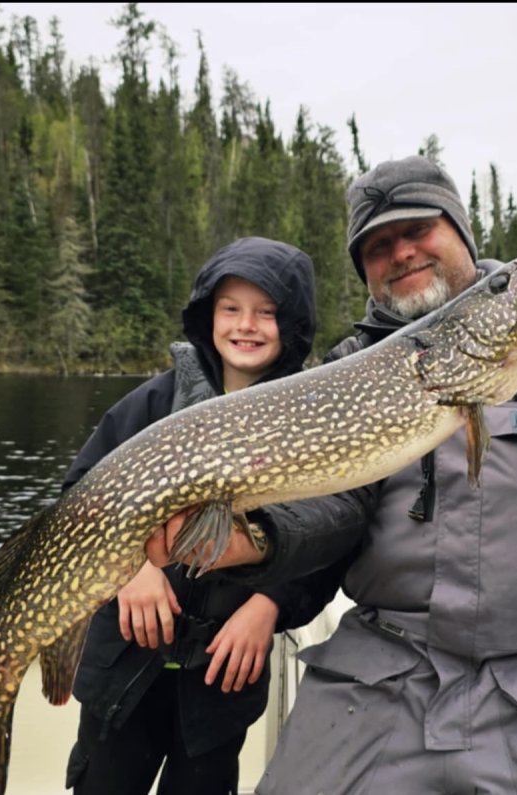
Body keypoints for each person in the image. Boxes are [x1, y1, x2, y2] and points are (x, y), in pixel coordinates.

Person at [147, 156, 517, 794]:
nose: (400, 253)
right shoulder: (352, 364)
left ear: (461, 233)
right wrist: (259, 538)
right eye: (378, 246)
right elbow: (336, 506)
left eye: (418, 230)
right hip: (385, 667)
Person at [65, 237, 339, 795]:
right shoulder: (154, 402)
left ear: (292, 325)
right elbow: (80, 499)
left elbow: (329, 534)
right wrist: (130, 571)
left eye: (267, 312)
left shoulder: (310, 415)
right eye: (230, 308)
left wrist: (271, 604)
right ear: (207, 315)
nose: (247, 325)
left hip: (222, 677)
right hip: (123, 668)